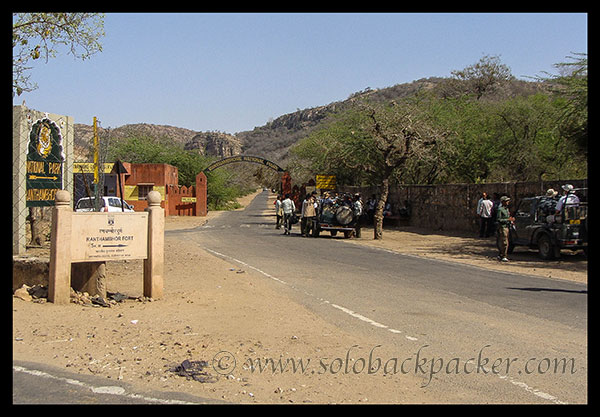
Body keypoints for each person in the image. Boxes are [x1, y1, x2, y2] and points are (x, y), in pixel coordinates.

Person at [496, 196, 515, 262]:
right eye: (506, 201)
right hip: (502, 227)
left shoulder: (506, 209)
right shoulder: (500, 209)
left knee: (506, 241)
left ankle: (502, 254)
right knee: (504, 242)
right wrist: (507, 220)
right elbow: (499, 219)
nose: (508, 202)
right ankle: (503, 255)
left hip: (507, 226)